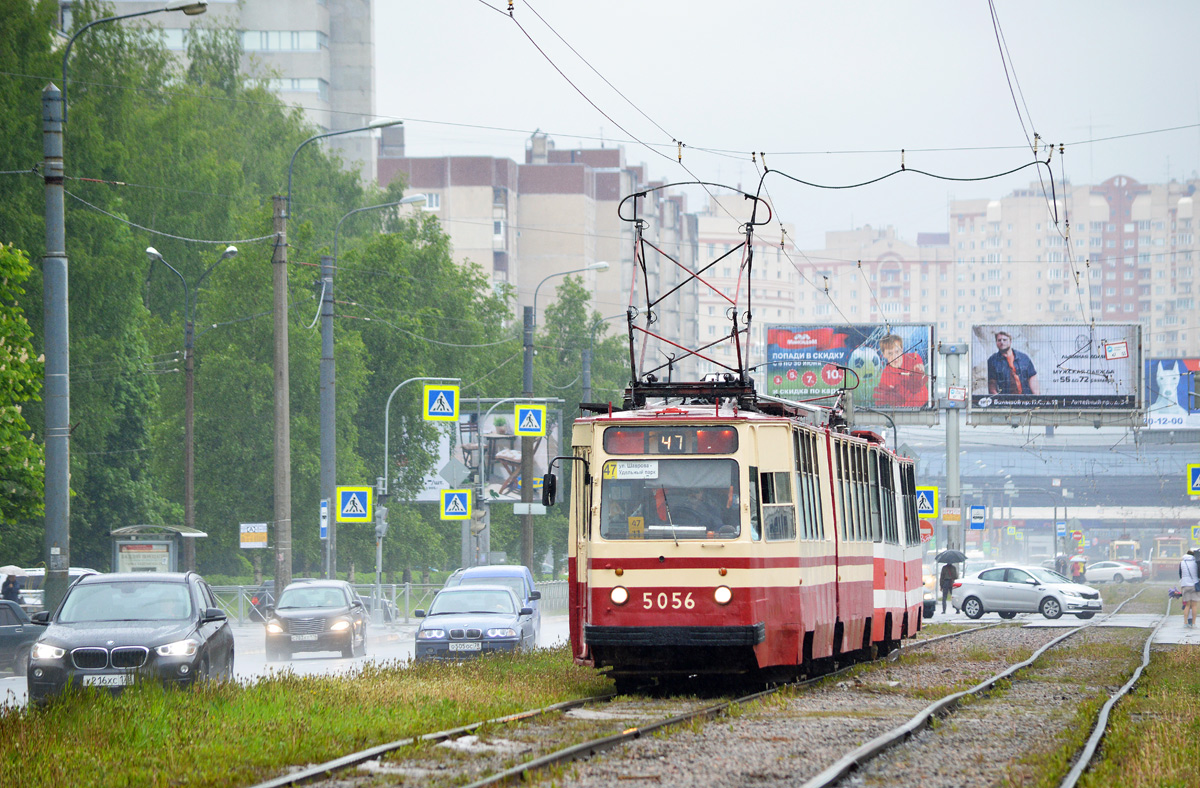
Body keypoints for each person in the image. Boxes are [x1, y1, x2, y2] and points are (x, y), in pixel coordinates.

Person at [874, 334, 929, 407]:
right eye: (890, 353)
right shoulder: (886, 376)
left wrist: (919, 374)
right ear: (884, 354)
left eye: (897, 352)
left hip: (925, 406)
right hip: (906, 412)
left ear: (902, 349)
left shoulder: (913, 358)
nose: (895, 357)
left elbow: (920, 370)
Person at [986, 330, 1039, 396]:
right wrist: (998, 400)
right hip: (1006, 401)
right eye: (999, 340)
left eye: (1004, 340)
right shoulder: (992, 361)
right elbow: (992, 384)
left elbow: (1032, 377)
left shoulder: (1024, 358)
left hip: (1026, 399)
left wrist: (1036, 398)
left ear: (1010, 342)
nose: (1002, 342)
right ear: (996, 342)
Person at [1179, 549, 1200, 627]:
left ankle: (1185, 623)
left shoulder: (1182, 563)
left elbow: (1180, 575)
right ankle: (1194, 623)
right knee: (1194, 605)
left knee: (1187, 605)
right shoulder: (1196, 562)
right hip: (1195, 584)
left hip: (1185, 584)